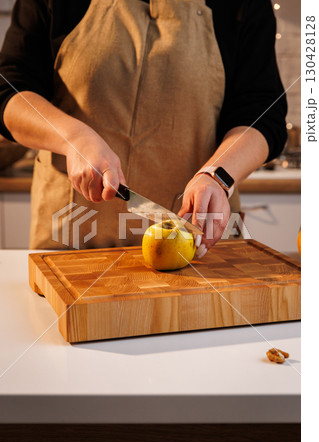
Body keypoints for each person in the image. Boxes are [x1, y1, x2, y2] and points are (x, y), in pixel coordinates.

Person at [0, 0, 287, 257]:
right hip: (71, 249)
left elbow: (263, 113)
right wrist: (74, 138)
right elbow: (9, 90)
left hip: (198, 255)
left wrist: (218, 176)